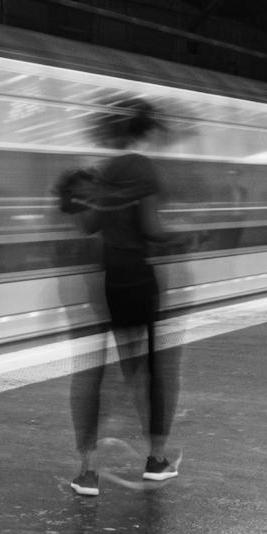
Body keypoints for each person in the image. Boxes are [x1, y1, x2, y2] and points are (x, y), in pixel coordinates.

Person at [59, 95, 185, 496]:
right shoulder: (142, 168)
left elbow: (89, 225)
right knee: (149, 373)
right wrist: (181, 238)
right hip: (139, 282)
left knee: (95, 376)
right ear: (144, 130)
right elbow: (151, 228)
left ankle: (88, 471)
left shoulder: (106, 171)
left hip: (109, 283)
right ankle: (156, 460)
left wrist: (77, 199)